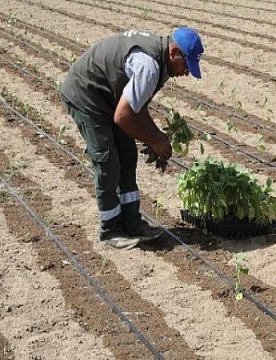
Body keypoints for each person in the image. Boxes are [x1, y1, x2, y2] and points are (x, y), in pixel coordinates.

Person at [60, 27, 204, 249]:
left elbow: (136, 105)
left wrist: (156, 135)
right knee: (107, 160)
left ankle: (132, 222)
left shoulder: (163, 62)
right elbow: (123, 116)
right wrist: (154, 140)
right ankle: (111, 230)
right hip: (86, 94)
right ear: (174, 51)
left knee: (128, 153)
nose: (187, 71)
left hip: (109, 96)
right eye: (186, 64)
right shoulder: (150, 66)